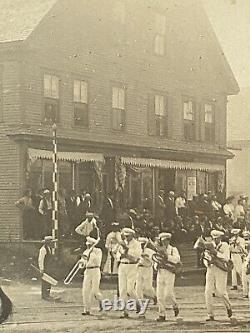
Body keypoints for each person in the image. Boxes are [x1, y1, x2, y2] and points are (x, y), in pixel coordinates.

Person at [204, 230, 233, 321]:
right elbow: (205, 257)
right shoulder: (208, 245)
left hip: (221, 269)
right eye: (214, 238)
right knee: (208, 291)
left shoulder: (224, 245)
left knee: (221, 291)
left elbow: (226, 258)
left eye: (217, 238)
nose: (216, 240)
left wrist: (216, 253)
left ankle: (228, 307)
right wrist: (207, 263)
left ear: (220, 238)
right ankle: (210, 314)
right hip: (211, 269)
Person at [116, 228, 142, 318]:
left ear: (132, 235)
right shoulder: (122, 243)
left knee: (130, 289)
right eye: (125, 236)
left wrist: (126, 253)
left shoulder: (137, 244)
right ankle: (125, 312)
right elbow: (117, 256)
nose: (126, 237)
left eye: (128, 236)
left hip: (132, 266)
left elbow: (136, 257)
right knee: (122, 290)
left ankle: (138, 302)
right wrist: (121, 255)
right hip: (123, 265)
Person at [155, 232, 181, 322]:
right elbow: (155, 261)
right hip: (161, 272)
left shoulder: (173, 249)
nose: (164, 242)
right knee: (159, 295)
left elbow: (177, 260)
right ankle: (161, 314)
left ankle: (175, 305)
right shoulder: (159, 250)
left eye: (166, 240)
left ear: (169, 240)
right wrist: (156, 265)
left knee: (168, 294)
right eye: (163, 241)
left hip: (169, 272)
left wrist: (167, 256)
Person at [82, 236, 103, 315]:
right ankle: (87, 310)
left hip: (95, 270)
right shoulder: (85, 251)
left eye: (90, 245)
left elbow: (97, 261)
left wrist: (91, 253)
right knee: (85, 290)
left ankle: (101, 301)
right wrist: (82, 262)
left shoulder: (98, 251)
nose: (88, 246)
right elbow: (83, 262)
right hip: (87, 271)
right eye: (87, 245)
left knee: (95, 291)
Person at [136, 237, 156, 307]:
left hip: (147, 269)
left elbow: (153, 261)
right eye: (140, 244)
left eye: (143, 244)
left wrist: (147, 257)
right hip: (139, 269)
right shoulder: (137, 250)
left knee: (148, 287)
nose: (141, 245)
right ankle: (140, 302)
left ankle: (154, 297)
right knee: (138, 287)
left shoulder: (149, 251)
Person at [38, 236, 57, 301]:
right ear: (48, 242)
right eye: (52, 242)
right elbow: (40, 260)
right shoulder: (43, 249)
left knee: (49, 281)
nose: (53, 243)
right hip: (45, 268)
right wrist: (41, 269)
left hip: (49, 268)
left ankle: (47, 294)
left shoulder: (50, 248)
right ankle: (44, 296)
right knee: (45, 282)